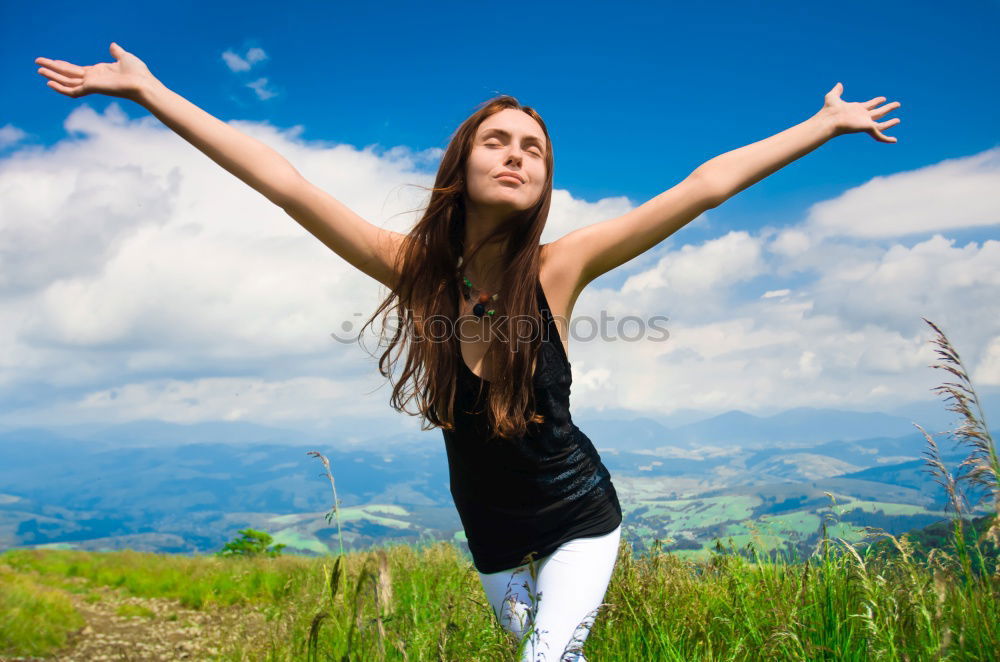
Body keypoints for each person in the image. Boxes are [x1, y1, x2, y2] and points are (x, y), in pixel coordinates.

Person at [34, 42, 901, 661]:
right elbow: (282, 181)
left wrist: (821, 127)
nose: (517, 154)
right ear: (464, 160)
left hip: (579, 519)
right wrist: (152, 94)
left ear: (544, 180)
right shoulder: (414, 270)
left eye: (534, 148)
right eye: (499, 140)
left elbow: (702, 188)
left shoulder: (563, 268)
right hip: (488, 536)